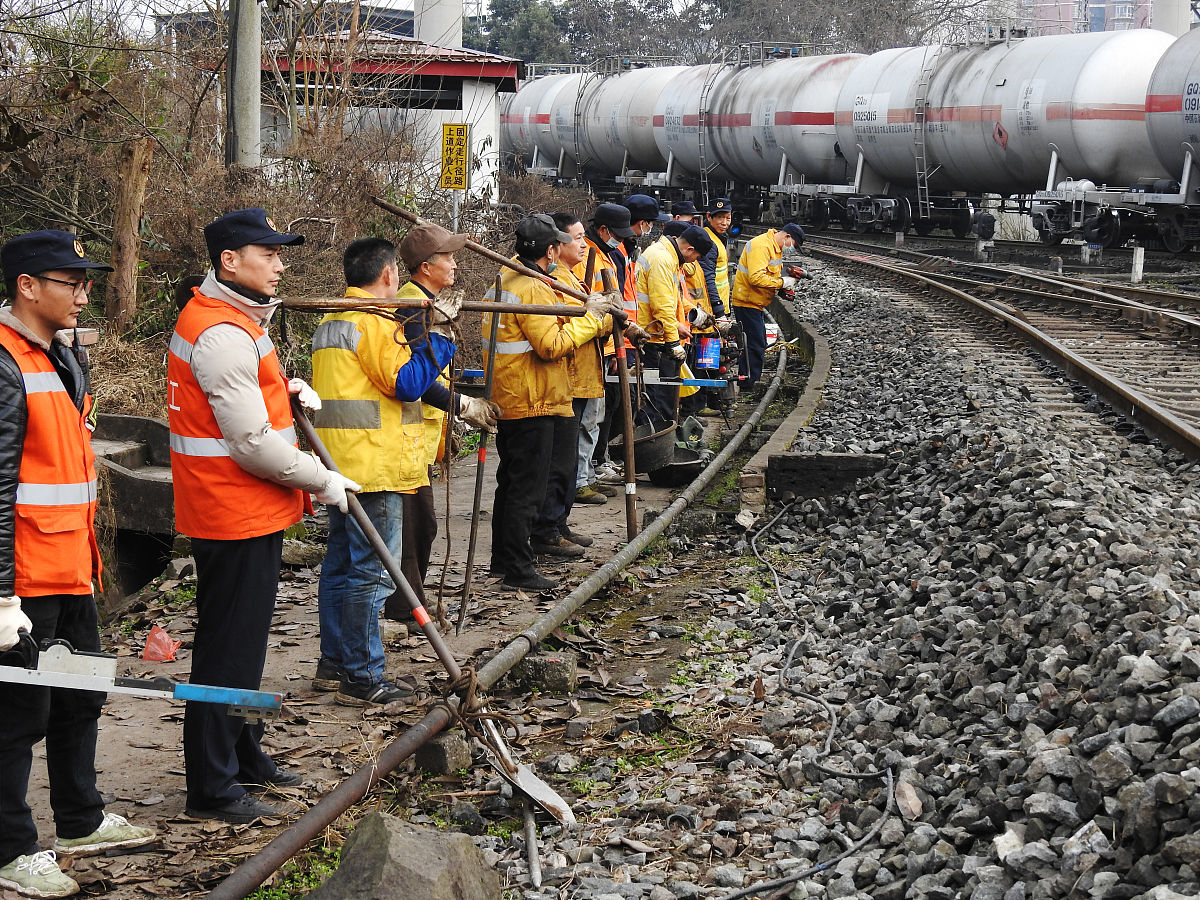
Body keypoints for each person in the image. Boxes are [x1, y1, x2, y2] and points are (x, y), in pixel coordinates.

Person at [168, 208, 359, 825]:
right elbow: (251, 443)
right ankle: (213, 785)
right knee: (227, 653)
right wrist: (322, 479)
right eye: (269, 254)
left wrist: (286, 388)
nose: (280, 265)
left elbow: (245, 400)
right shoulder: (221, 332)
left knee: (245, 649)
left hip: (245, 510)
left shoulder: (237, 319)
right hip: (231, 511)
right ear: (230, 261)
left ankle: (245, 753)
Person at [0, 230, 156, 899]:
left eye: (87, 283)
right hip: (25, 576)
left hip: (72, 563)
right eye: (72, 283)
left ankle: (80, 819)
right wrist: (0, 597)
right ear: (27, 286)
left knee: (81, 694)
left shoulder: (64, 356)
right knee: (17, 716)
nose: (84, 295)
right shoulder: (4, 365)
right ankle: (12, 848)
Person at [311, 232, 491, 705]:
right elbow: (408, 384)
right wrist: (441, 336)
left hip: (338, 462)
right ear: (390, 273)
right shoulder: (374, 323)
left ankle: (334, 664)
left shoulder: (332, 319)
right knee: (371, 574)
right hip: (375, 464)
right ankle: (362, 677)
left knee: (341, 567)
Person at [484, 214, 621, 592]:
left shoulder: (505, 279)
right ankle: (518, 568)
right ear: (549, 251)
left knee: (511, 484)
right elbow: (551, 345)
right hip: (533, 399)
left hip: (512, 395)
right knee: (526, 489)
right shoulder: (534, 288)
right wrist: (592, 319)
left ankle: (504, 559)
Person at [382, 227, 499, 624]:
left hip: (420, 437)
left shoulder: (429, 303)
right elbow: (418, 378)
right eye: (448, 258)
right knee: (416, 526)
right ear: (426, 267)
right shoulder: (412, 307)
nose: (455, 264)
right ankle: (406, 607)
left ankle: (409, 602)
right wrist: (462, 404)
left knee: (420, 525)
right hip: (403, 437)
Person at [583, 203, 639, 488]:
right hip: (594, 344)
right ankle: (587, 473)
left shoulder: (608, 254)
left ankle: (592, 469)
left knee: (601, 411)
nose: (621, 240)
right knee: (591, 415)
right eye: (617, 234)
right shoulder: (589, 255)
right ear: (603, 230)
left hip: (608, 343)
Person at [635, 222, 712, 424]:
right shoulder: (663, 260)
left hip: (654, 334)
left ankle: (660, 430)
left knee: (660, 394)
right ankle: (656, 434)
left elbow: (673, 298)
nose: (694, 261)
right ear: (690, 249)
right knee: (657, 397)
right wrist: (673, 343)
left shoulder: (665, 255)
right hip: (652, 337)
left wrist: (693, 312)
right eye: (697, 257)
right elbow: (662, 307)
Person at [731, 222, 804, 388]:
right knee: (755, 344)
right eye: (793, 245)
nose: (792, 249)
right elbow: (756, 278)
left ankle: (749, 379)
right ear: (787, 236)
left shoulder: (774, 247)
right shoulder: (762, 246)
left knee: (755, 342)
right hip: (746, 302)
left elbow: (768, 276)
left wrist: (781, 287)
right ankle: (749, 383)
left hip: (754, 302)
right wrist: (782, 282)